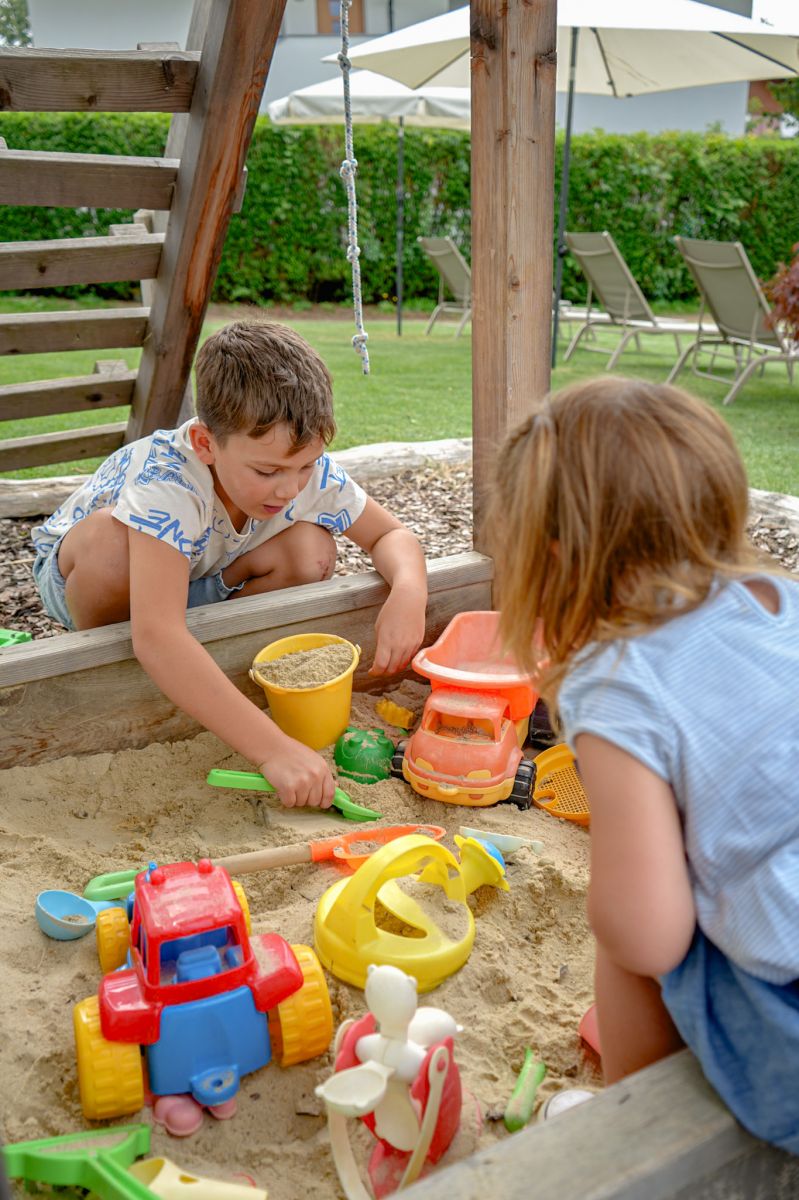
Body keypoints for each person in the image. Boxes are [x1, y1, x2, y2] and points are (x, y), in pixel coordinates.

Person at [491, 375, 799, 1153]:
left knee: (622, 931)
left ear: (552, 553)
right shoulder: (779, 601)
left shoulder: (617, 683)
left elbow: (648, 938)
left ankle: (632, 1130)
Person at [32, 321, 427, 810]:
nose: (289, 488)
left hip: (199, 576)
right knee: (114, 549)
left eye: (305, 466)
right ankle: (125, 650)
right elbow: (155, 636)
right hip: (95, 582)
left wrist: (408, 591)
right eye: (267, 471)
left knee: (311, 550)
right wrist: (274, 749)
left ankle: (203, 642)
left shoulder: (303, 470)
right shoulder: (168, 480)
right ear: (205, 444)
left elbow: (391, 535)